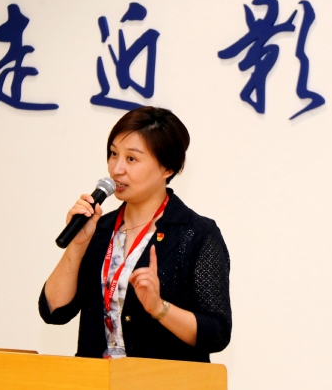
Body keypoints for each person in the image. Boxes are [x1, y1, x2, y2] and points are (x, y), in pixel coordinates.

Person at [39, 106, 231, 362]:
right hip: (96, 379)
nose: (116, 169)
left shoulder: (195, 234)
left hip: (161, 379)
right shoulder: (99, 228)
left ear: (167, 168)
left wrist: (159, 308)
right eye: (113, 154)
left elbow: (217, 333)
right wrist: (77, 244)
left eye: (131, 159)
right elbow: (54, 311)